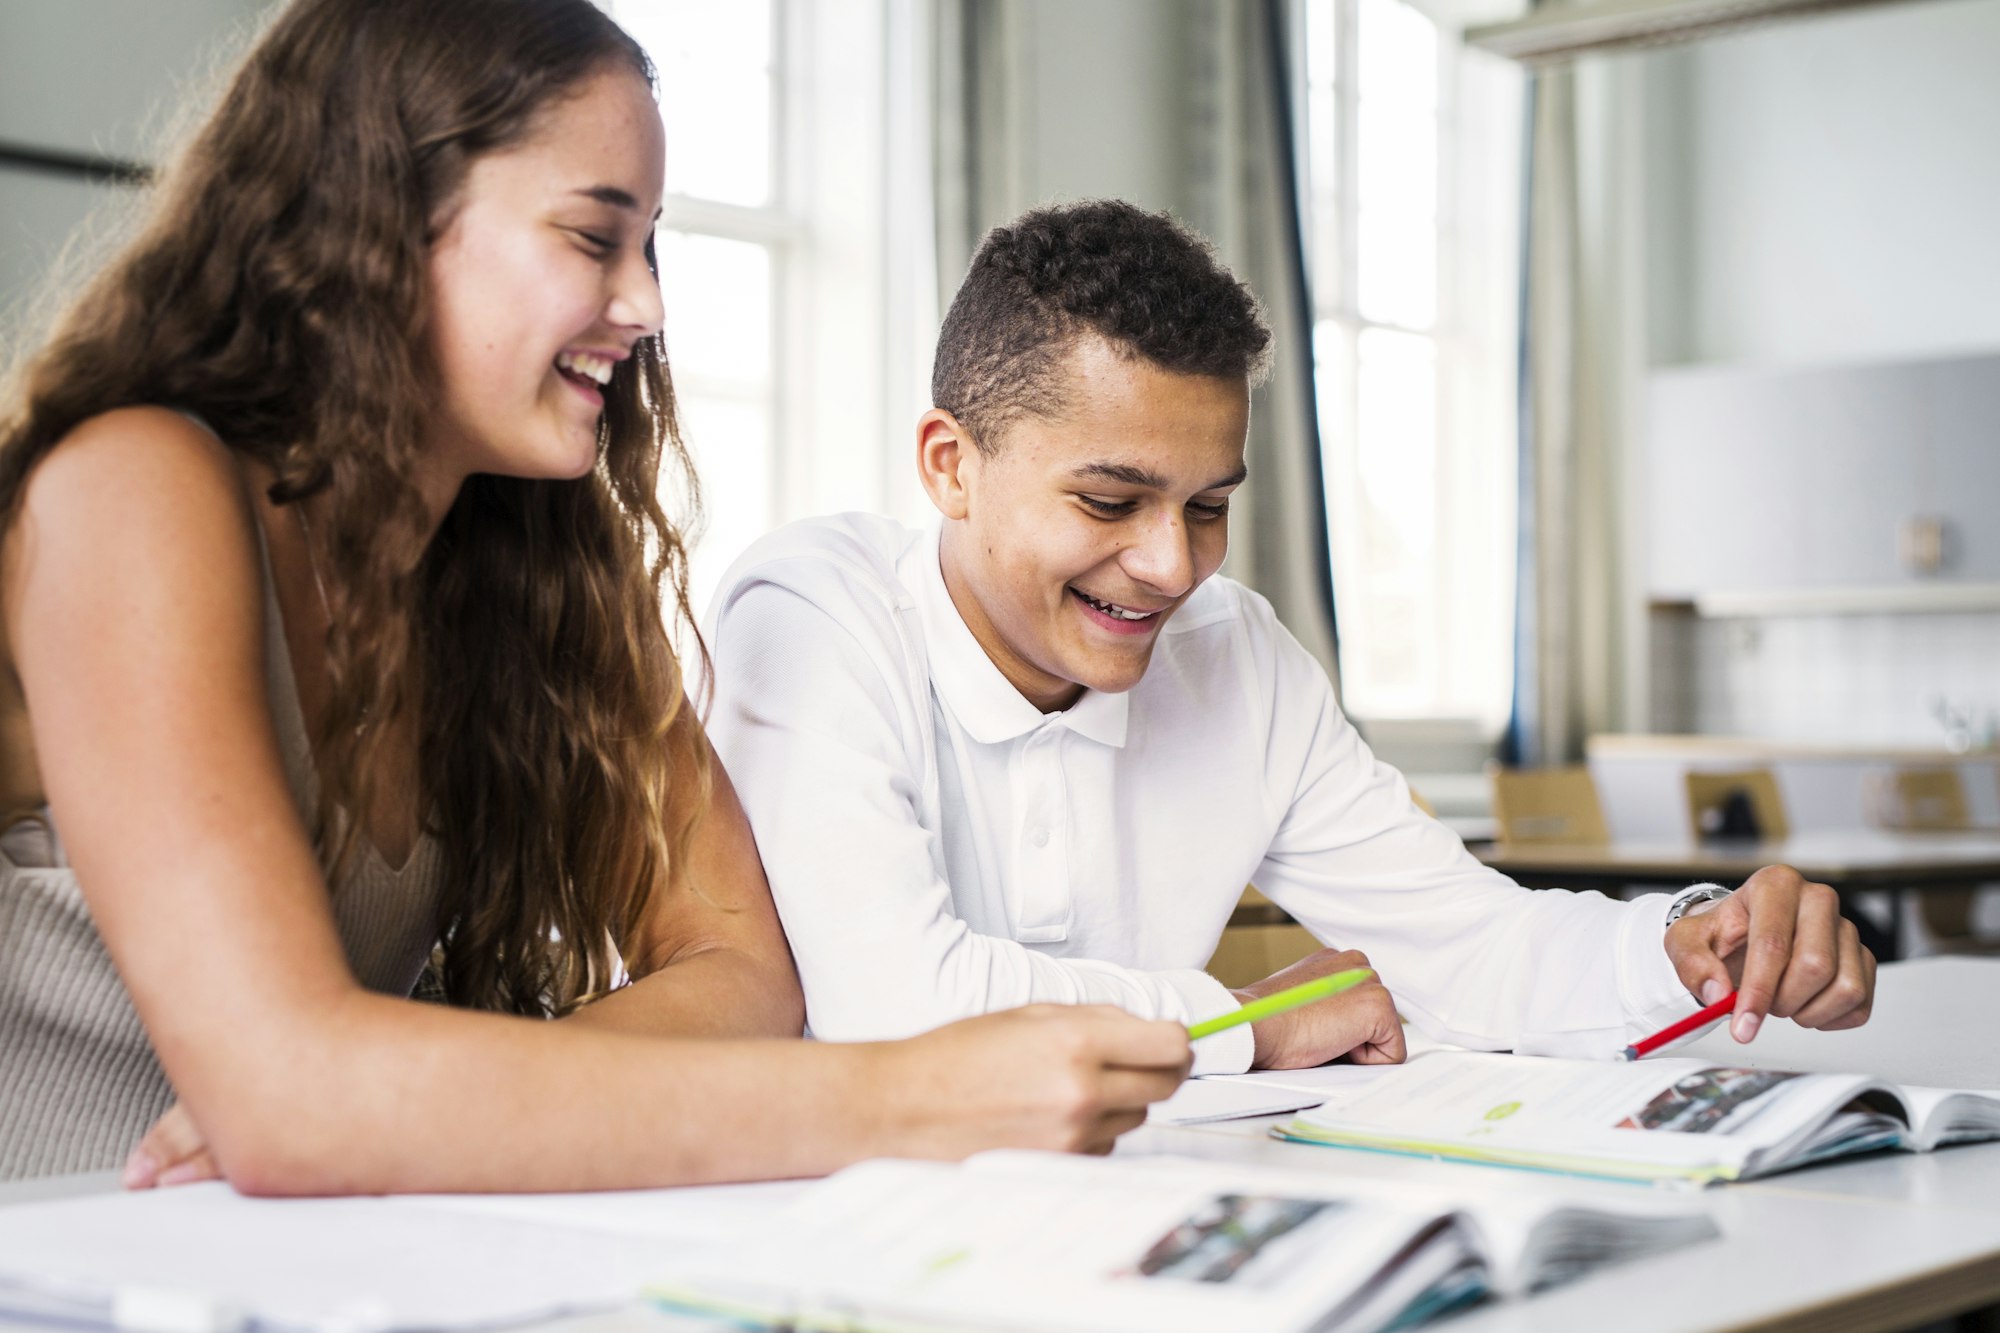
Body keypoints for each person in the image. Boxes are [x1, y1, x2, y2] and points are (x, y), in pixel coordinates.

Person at [0, 1, 1188, 1190]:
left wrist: (399, 1099)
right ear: (375, 223)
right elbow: (290, 1103)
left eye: (650, 244)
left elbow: (740, 969)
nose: (649, 305)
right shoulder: (133, 483)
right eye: (590, 238)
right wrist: (912, 1097)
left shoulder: (525, 567)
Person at [705, 200, 1877, 1077]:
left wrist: (1688, 940)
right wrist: (1240, 1020)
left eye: (1207, 505)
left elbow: (1461, 945)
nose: (1173, 565)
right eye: (1110, 502)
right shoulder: (814, 611)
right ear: (949, 466)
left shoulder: (1235, 653)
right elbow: (892, 1006)